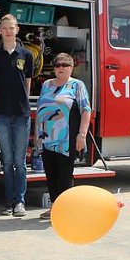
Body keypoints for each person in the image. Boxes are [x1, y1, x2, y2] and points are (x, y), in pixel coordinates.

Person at [0, 13, 33, 217]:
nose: (7, 31)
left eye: (11, 27)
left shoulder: (26, 55)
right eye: (4, 28)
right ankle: (9, 202)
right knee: (7, 161)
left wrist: (24, 104)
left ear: (17, 30)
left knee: (20, 162)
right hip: (3, 114)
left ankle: (20, 202)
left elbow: (27, 83)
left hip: (22, 114)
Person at [35, 53, 91, 220]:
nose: (60, 68)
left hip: (66, 138)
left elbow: (86, 110)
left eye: (65, 65)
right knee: (50, 174)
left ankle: (65, 210)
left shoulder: (77, 85)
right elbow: (41, 110)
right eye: (57, 65)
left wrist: (82, 134)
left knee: (65, 175)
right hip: (47, 137)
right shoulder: (46, 85)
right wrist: (37, 134)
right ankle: (54, 207)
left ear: (71, 67)